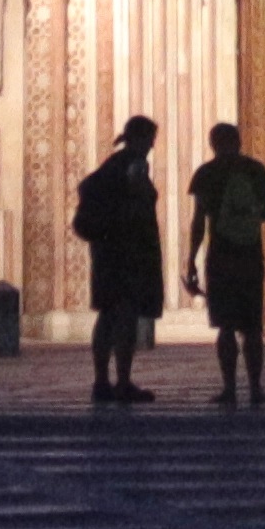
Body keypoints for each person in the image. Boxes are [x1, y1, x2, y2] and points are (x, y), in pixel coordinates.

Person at [71, 115, 164, 406]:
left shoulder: (110, 165)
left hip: (106, 253)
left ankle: (101, 381)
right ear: (139, 138)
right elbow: (136, 207)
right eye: (149, 139)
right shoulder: (134, 166)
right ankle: (122, 382)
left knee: (108, 316)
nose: (151, 144)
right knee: (125, 319)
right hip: (128, 255)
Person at [183, 121, 265, 406]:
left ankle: (229, 388)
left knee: (225, 325)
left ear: (213, 144)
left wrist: (191, 260)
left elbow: (199, 220)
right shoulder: (256, 171)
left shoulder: (206, 173)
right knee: (252, 327)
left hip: (221, 257)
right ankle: (256, 388)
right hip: (249, 255)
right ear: (239, 141)